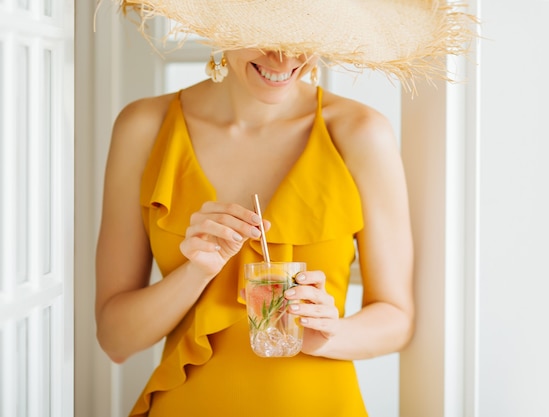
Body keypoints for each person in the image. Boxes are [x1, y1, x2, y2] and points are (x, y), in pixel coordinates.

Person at [95, 1, 474, 416]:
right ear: (222, 23)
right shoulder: (144, 126)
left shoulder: (360, 132)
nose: (286, 58)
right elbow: (115, 340)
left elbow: (396, 319)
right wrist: (196, 273)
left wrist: (330, 333)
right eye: (267, 33)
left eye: (304, 36)